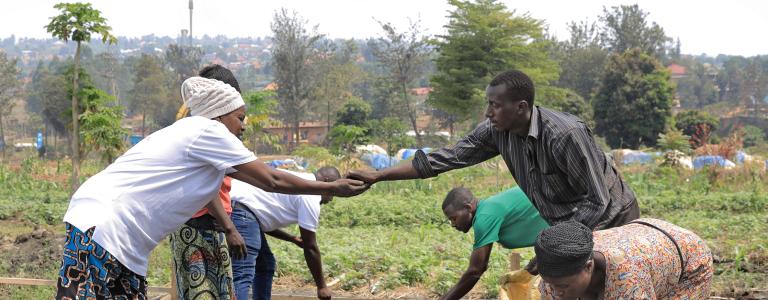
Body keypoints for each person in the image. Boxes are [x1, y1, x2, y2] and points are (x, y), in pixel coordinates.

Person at [55, 76, 368, 299]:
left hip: (126, 241)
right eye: (240, 117)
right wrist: (332, 187)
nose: (244, 126)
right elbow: (272, 179)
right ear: (220, 115)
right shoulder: (206, 131)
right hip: (103, 226)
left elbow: (250, 186)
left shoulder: (200, 144)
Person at [348, 70, 638, 230]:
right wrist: (379, 175)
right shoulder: (497, 132)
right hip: (570, 223)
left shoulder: (565, 135)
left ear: (521, 107)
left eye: (495, 105)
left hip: (614, 217)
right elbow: (444, 158)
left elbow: (597, 201)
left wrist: (558, 242)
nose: (488, 112)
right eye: (488, 104)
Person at [170, 64, 246, 299]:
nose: (243, 124)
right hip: (199, 226)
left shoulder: (211, 131)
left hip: (210, 225)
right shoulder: (204, 135)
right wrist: (230, 227)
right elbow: (205, 187)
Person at [229, 166, 342, 300]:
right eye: (333, 192)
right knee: (242, 272)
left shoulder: (302, 180)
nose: (331, 199)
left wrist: (291, 238)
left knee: (265, 264)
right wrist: (322, 286)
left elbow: (264, 221)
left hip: (244, 211)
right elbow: (310, 247)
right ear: (326, 181)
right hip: (241, 210)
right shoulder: (310, 195)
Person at [535, 219, 713, 300]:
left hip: (689, 258)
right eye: (551, 284)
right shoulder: (554, 279)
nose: (557, 292)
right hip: (639, 238)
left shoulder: (628, 279)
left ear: (588, 267)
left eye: (564, 286)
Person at [439, 187, 549, 300]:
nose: (453, 224)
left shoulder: (484, 217)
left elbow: (475, 270)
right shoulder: (487, 208)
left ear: (468, 207)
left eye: (454, 218)